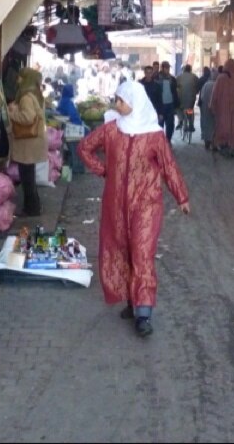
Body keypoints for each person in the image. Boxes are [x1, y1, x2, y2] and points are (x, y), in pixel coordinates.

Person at [77, 81, 190, 338]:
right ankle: (132, 301)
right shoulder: (111, 130)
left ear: (134, 101)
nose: (117, 104)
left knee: (142, 253)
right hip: (115, 204)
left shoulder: (154, 135)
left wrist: (181, 197)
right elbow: (84, 148)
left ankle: (144, 313)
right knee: (122, 250)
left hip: (147, 203)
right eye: (116, 100)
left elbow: (169, 167)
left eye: (121, 100)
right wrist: (103, 170)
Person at [7, 68, 48, 217]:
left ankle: (31, 209)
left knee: (27, 178)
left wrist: (12, 112)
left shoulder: (26, 97)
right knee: (28, 176)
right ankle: (33, 207)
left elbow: (28, 117)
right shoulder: (36, 94)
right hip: (32, 142)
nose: (17, 79)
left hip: (28, 143)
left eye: (20, 77)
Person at [209, 58, 234, 157]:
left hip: (222, 110)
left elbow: (215, 94)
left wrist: (212, 105)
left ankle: (223, 145)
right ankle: (232, 147)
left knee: (222, 126)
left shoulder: (220, 78)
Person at [158, 61, 179, 142]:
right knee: (160, 125)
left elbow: (175, 92)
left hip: (170, 105)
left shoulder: (172, 79)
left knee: (170, 124)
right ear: (162, 68)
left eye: (168, 68)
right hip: (161, 105)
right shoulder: (157, 78)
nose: (168, 69)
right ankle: (160, 142)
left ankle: (168, 141)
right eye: (166, 68)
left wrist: (176, 103)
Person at [197, 67, 219, 150]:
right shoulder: (218, 85)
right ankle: (214, 143)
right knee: (215, 125)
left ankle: (207, 141)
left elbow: (202, 96)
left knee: (206, 124)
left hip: (206, 108)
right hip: (216, 109)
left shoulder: (206, 85)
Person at [175, 63, 199, 132]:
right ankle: (191, 125)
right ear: (190, 70)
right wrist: (195, 92)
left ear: (184, 70)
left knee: (178, 108)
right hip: (191, 99)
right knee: (190, 110)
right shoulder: (194, 77)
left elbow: (175, 86)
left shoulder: (179, 77)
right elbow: (198, 86)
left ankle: (181, 120)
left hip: (181, 98)